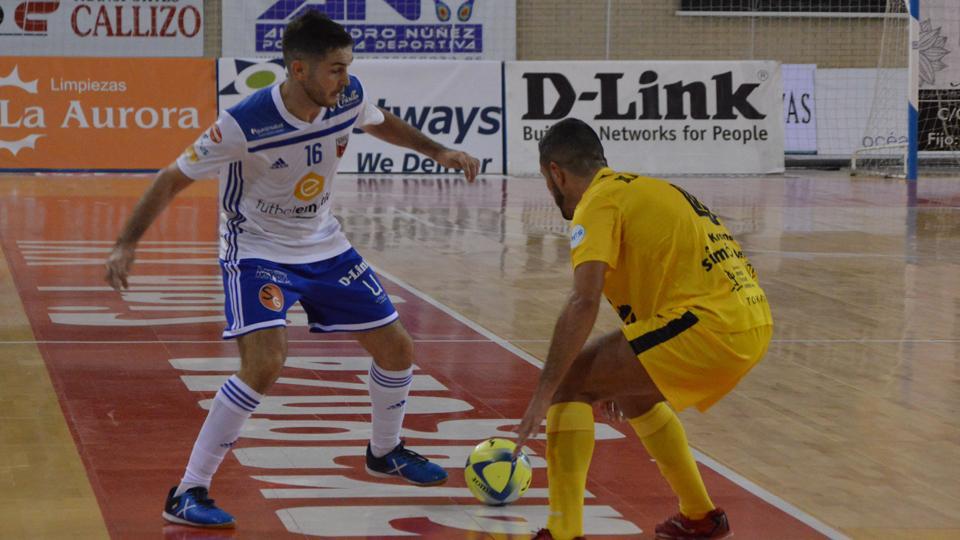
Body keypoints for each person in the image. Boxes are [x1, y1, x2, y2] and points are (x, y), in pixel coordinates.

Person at [104, 11, 480, 529]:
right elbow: (172, 178)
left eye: (347, 67)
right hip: (256, 249)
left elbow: (378, 120)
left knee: (398, 349)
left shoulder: (346, 97)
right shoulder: (245, 122)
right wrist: (126, 243)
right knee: (265, 363)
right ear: (298, 69)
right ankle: (188, 490)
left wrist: (438, 150)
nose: (345, 79)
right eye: (334, 69)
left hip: (324, 244)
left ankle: (385, 449)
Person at [513, 118, 773, 540]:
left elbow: (583, 300)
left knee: (569, 382)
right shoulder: (646, 189)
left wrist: (543, 394)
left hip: (711, 324)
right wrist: (624, 375)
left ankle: (563, 533)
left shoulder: (597, 202)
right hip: (750, 319)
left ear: (556, 172)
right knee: (632, 396)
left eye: (547, 180)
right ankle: (700, 517)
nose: (550, 191)